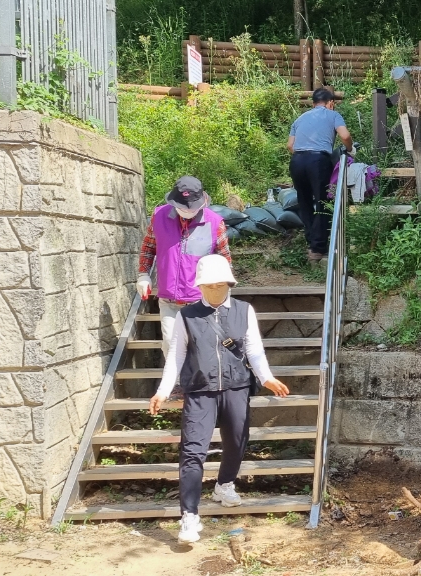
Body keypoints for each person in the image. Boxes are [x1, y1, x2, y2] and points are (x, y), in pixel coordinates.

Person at [148, 255, 291, 544]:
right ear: (200, 286)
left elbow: (254, 349)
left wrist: (267, 378)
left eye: (220, 285)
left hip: (236, 386)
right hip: (200, 390)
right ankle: (189, 516)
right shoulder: (186, 316)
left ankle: (224, 484)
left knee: (237, 439)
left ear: (229, 284)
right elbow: (175, 357)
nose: (215, 290)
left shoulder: (243, 310)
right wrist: (163, 391)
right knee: (192, 451)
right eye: (210, 286)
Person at [136, 175, 231, 356]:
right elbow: (149, 246)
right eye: (182, 207)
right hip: (169, 301)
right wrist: (143, 275)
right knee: (172, 347)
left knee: (202, 350)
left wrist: (224, 293)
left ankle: (201, 384)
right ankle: (178, 384)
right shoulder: (159, 217)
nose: (187, 211)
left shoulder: (215, 223)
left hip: (202, 301)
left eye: (191, 208)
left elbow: (225, 261)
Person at [287, 86, 353, 262]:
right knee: (323, 201)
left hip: (297, 162)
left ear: (313, 102)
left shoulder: (300, 118)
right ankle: (318, 248)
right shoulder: (333, 115)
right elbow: (345, 136)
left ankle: (311, 242)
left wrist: (303, 156)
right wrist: (350, 149)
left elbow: (290, 146)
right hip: (318, 161)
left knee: (305, 202)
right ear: (331, 103)